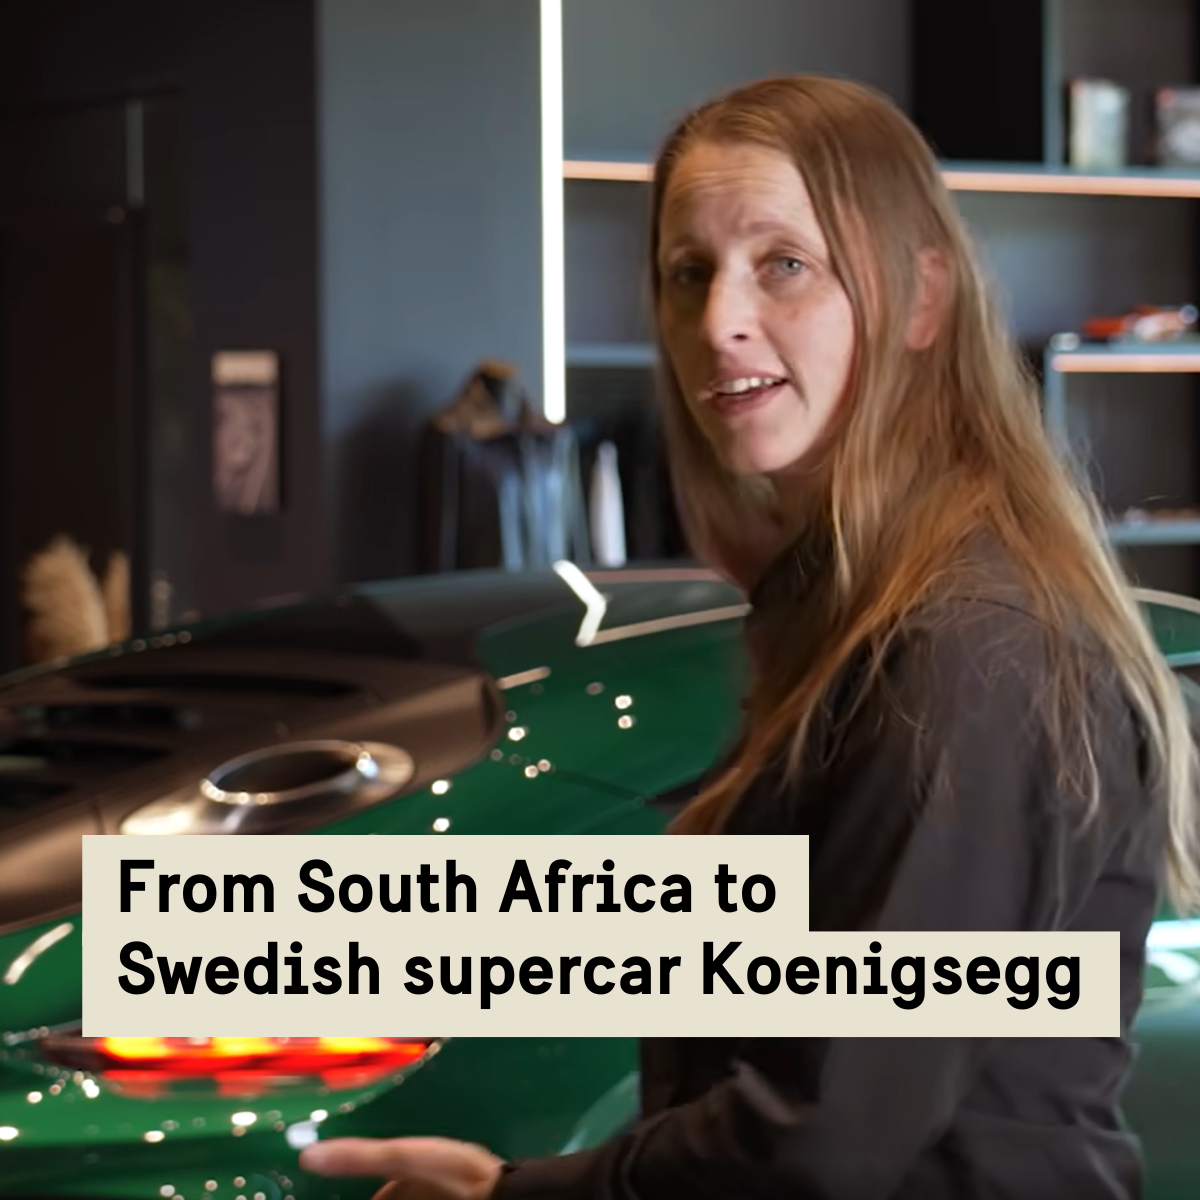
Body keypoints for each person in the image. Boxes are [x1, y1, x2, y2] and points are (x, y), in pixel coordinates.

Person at [299, 75, 1200, 1200]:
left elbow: (825, 1134)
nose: (719, 318)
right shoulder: (846, 611)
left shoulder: (966, 649)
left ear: (923, 298)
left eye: (784, 264)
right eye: (689, 274)